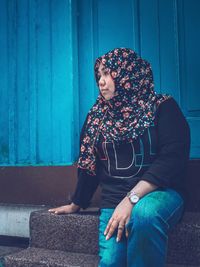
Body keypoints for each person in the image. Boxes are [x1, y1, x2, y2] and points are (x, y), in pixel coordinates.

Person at [49, 48, 190, 267]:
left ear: (127, 75)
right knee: (112, 262)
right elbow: (90, 166)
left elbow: (172, 159)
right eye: (99, 76)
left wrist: (131, 199)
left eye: (107, 74)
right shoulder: (97, 117)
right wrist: (78, 202)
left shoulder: (162, 107)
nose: (101, 82)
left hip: (161, 194)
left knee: (145, 215)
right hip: (114, 201)